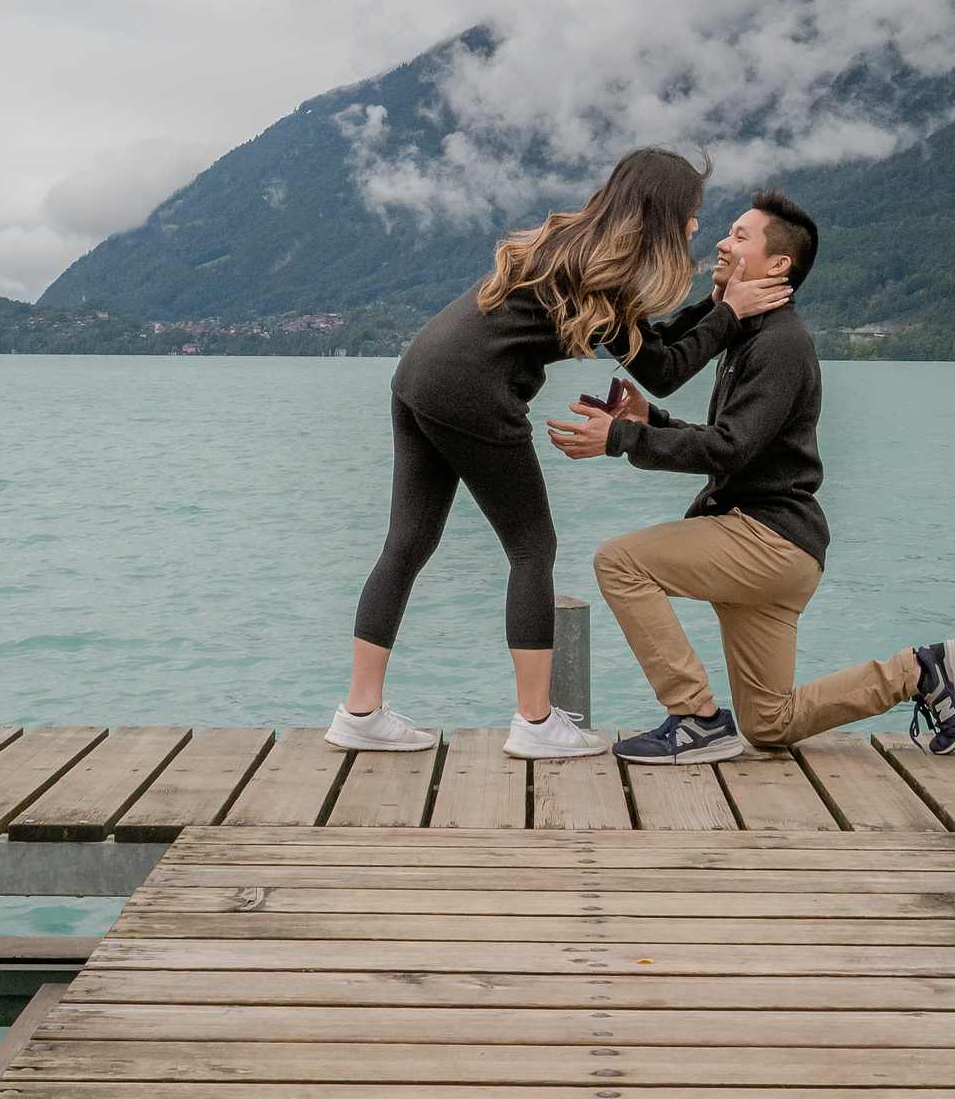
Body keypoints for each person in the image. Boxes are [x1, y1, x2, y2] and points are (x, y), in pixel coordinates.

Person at [328, 148, 793, 760]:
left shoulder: (581, 244)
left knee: (407, 543)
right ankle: (536, 722)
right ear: (663, 210)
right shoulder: (609, 272)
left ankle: (360, 712)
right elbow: (666, 370)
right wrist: (730, 313)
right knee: (532, 546)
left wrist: (719, 306)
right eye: (694, 211)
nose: (698, 225)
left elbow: (651, 341)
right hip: (473, 388)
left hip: (421, 371)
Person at [548, 189, 955, 763]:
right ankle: (917, 672)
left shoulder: (780, 343)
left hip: (765, 536)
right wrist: (654, 418)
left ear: (778, 265)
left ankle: (694, 717)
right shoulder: (751, 333)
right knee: (770, 723)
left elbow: (729, 448)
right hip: (783, 549)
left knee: (619, 562)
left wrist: (621, 439)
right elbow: (728, 428)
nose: (723, 242)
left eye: (740, 236)